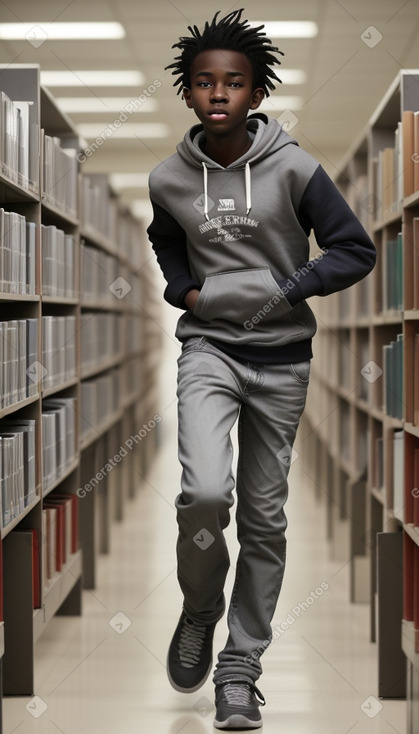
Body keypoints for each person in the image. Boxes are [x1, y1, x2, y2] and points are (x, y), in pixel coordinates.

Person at [147, 8, 376, 730]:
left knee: (265, 517)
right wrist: (183, 291)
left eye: (234, 82)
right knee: (205, 495)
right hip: (208, 348)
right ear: (186, 93)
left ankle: (240, 665)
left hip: (283, 360)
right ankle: (199, 608)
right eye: (205, 82)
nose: (219, 93)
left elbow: (353, 249)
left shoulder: (296, 168)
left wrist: (291, 287)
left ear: (254, 92)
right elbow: (166, 243)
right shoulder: (166, 178)